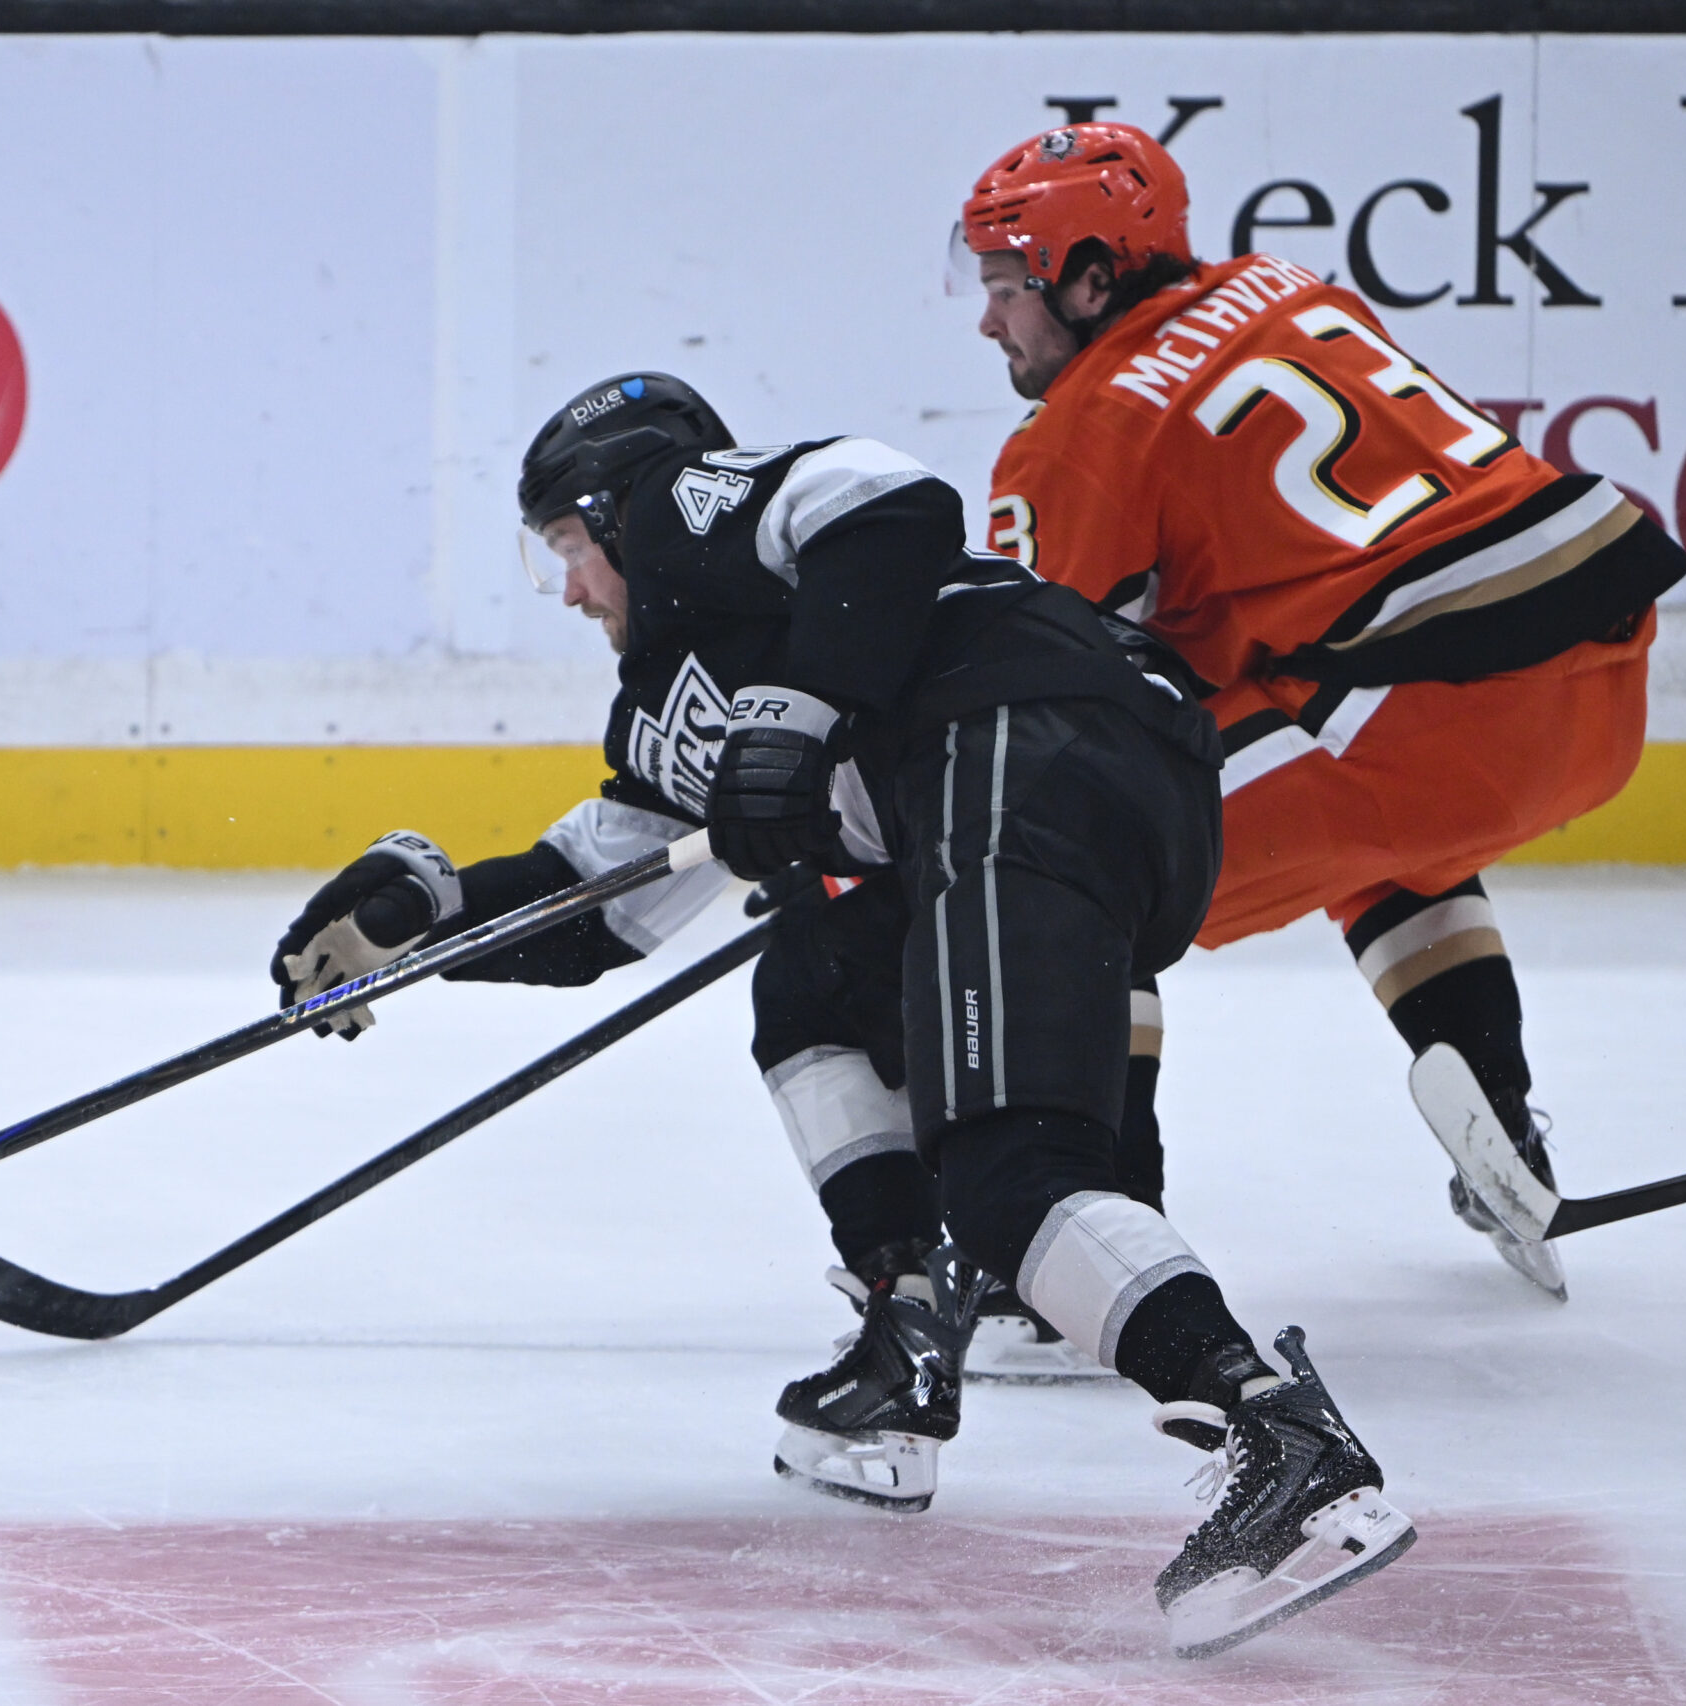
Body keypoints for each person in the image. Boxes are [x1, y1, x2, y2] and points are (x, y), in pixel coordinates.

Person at [269, 371, 1413, 1657]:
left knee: (1010, 1179)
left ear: (613, 503)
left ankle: (1275, 1431)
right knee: (807, 970)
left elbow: (889, 507)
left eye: (568, 550)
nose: (577, 589)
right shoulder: (666, 701)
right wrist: (412, 925)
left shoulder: (683, 513)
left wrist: (795, 717)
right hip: (1084, 775)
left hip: (1019, 737)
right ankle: (904, 1325)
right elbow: (599, 909)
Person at [961, 123, 1686, 1299]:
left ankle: (1086, 1226)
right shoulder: (1286, 287)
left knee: (1072, 857)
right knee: (1365, 824)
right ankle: (1500, 1113)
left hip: (1430, 717)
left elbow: (1027, 688)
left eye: (1005, 288)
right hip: (1599, 685)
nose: (987, 321)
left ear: (1091, 277)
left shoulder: (1081, 431)